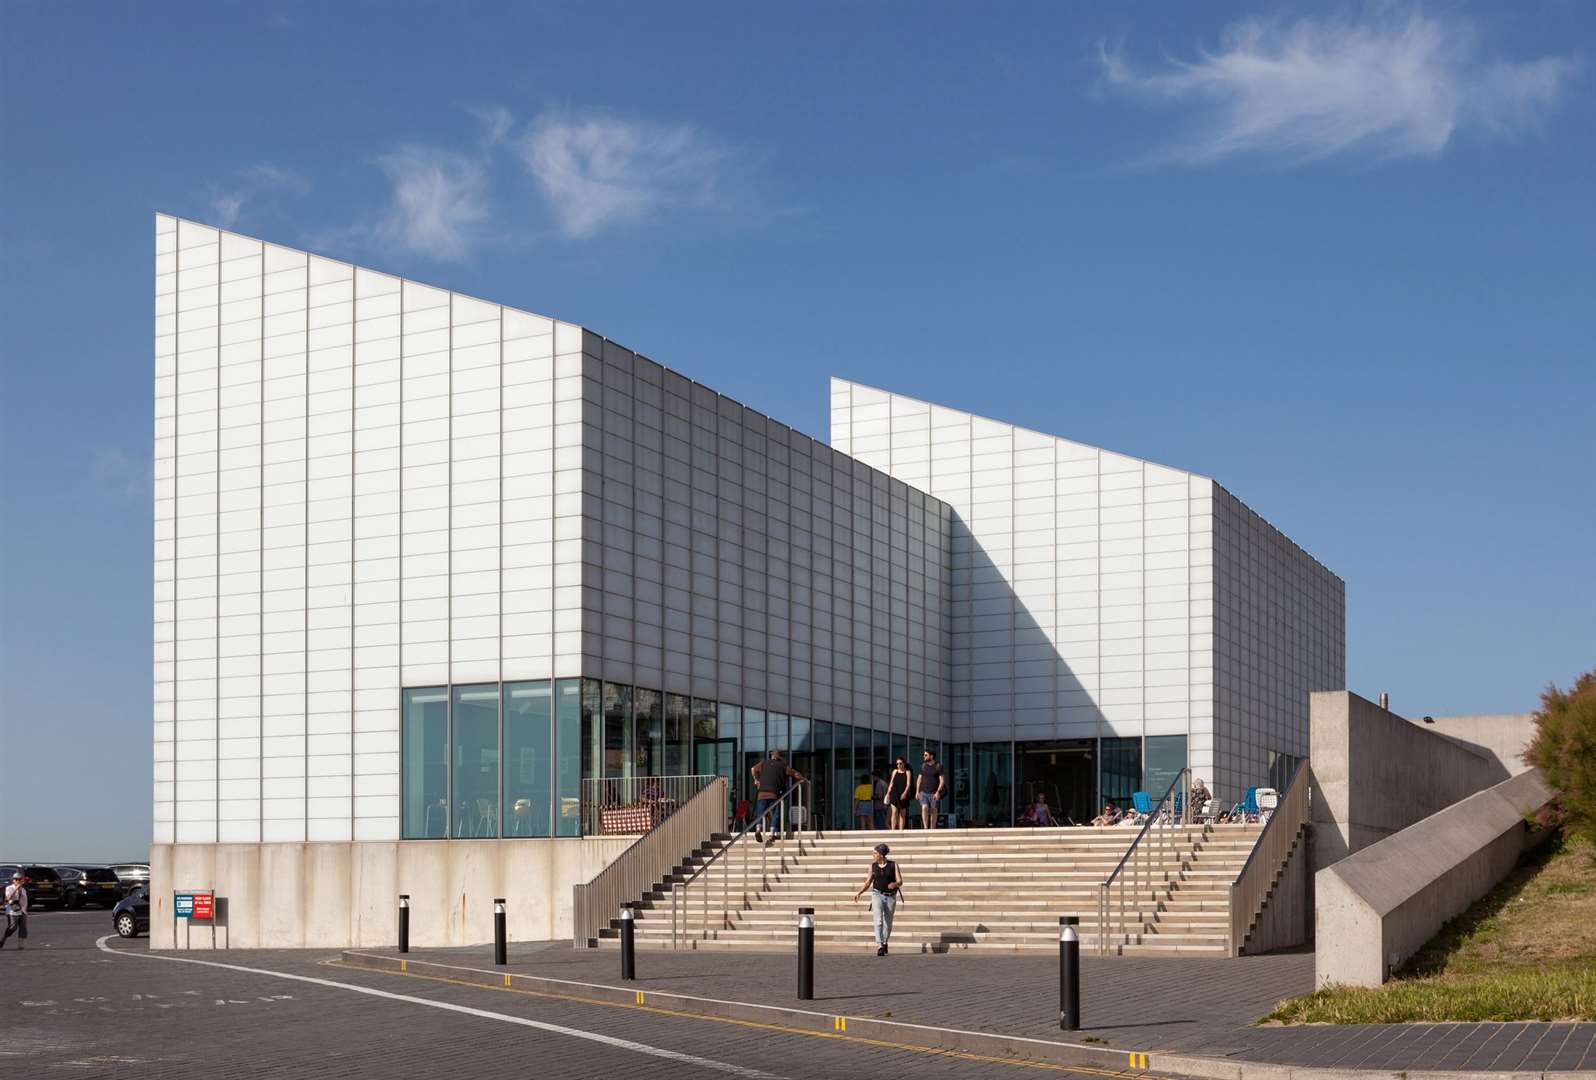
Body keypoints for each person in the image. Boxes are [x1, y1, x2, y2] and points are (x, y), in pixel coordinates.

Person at [852, 842, 903, 956]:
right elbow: (868, 882)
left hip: (890, 897)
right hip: (877, 895)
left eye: (875, 853)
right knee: (878, 920)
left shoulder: (893, 865)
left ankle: (885, 941)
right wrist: (859, 892)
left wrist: (894, 884)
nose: (873, 855)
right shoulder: (872, 866)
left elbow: (900, 881)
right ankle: (879, 945)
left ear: (881, 854)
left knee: (888, 923)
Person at [750, 749, 805, 845]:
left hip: (762, 792)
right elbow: (795, 774)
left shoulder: (764, 763)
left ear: (772, 756)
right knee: (776, 812)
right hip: (774, 793)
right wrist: (804, 779)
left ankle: (758, 829)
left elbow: (753, 769)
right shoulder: (783, 766)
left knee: (760, 812)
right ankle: (772, 833)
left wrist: (757, 780)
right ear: (780, 758)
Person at [915, 749, 946, 830]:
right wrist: (917, 792)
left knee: (933, 810)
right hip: (923, 792)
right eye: (924, 755)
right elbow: (919, 779)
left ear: (931, 756)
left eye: (926, 755)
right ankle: (925, 828)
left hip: (934, 792)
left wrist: (938, 792)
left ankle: (932, 828)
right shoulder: (923, 766)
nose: (924, 756)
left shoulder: (938, 766)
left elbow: (942, 781)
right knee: (924, 807)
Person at [885, 758, 913, 830]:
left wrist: (905, 793)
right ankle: (893, 830)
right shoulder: (895, 771)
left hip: (903, 794)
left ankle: (901, 831)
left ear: (904, 763)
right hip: (894, 793)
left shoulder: (907, 772)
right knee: (894, 812)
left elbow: (908, 784)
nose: (899, 765)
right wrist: (888, 793)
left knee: (902, 814)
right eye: (897, 764)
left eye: (900, 763)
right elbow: (891, 783)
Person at [1, 871, 27, 950]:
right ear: (13, 880)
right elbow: (8, 898)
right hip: (12, 911)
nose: (18, 881)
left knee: (23, 928)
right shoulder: (9, 888)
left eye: (19, 879)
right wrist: (16, 888)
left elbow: (24, 900)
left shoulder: (23, 890)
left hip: (22, 910)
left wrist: (25, 910)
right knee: (13, 927)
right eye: (16, 879)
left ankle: (21, 945)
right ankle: (3, 940)